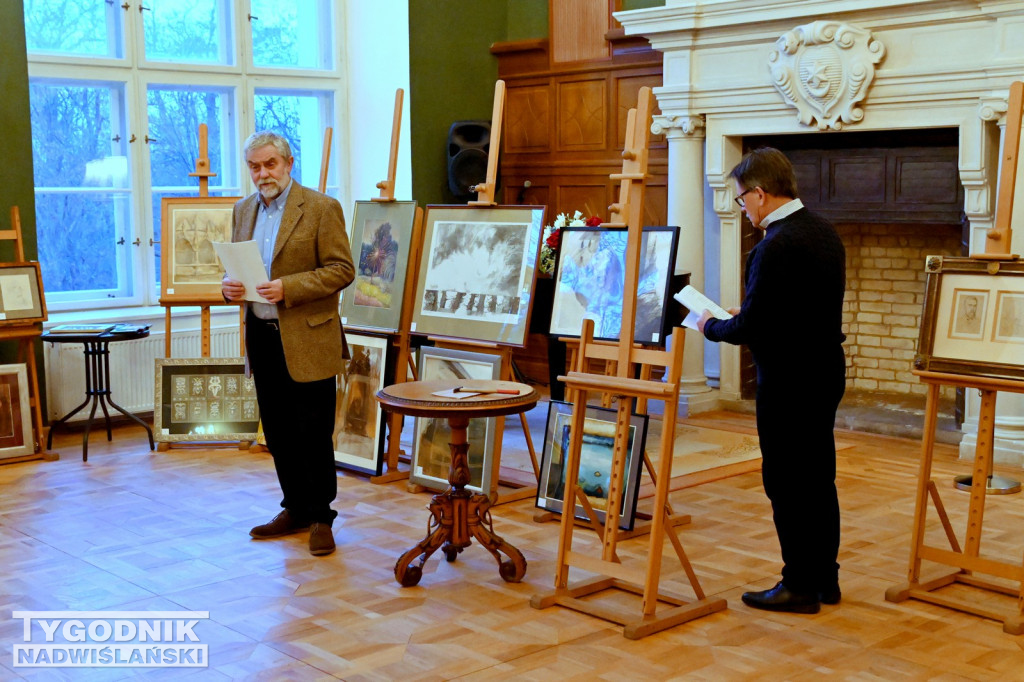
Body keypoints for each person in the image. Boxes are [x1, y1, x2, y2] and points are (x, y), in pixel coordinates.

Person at [697, 147, 847, 614]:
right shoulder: (824, 232)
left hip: (788, 380)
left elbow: (751, 329)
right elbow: (796, 307)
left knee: (786, 481)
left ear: (761, 194)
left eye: (743, 200)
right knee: (819, 477)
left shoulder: (774, 245)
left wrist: (708, 324)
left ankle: (798, 585)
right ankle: (824, 579)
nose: (743, 210)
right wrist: (752, 311)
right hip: (823, 369)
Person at [222, 131, 355, 557]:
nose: (263, 174)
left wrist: (289, 287)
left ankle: (321, 517)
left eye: (269, 165)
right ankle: (295, 508)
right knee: (278, 431)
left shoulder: (320, 208)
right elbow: (240, 270)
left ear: (288, 163)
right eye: (255, 167)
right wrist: (228, 287)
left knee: (313, 432)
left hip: (308, 337)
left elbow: (342, 269)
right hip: (261, 336)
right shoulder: (243, 211)